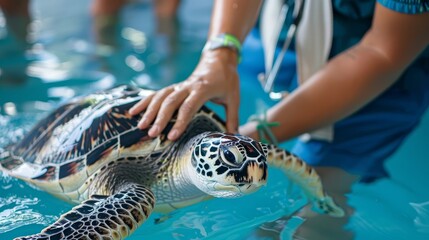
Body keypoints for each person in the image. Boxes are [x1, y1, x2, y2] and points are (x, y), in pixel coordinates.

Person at [129, 0, 429, 238]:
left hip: (373, 69)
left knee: (318, 208)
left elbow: (385, 49)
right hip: (281, 31)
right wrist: (221, 52)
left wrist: (256, 135)